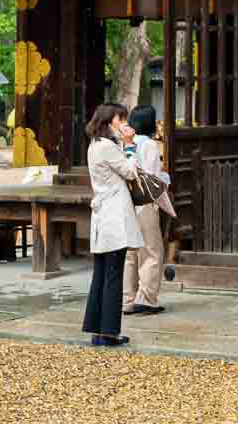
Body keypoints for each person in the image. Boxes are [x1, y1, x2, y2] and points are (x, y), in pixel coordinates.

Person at [82, 102, 144, 347]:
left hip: (103, 214)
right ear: (110, 122)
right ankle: (109, 331)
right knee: (113, 274)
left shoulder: (95, 145)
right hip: (114, 215)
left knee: (101, 273)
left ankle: (97, 328)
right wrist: (130, 145)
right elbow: (130, 171)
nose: (123, 124)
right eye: (121, 120)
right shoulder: (108, 147)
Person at [122, 103, 176, 316]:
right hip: (145, 203)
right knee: (152, 251)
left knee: (129, 253)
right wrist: (166, 179)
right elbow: (152, 176)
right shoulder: (150, 145)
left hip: (127, 203)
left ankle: (127, 298)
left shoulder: (125, 143)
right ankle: (147, 298)